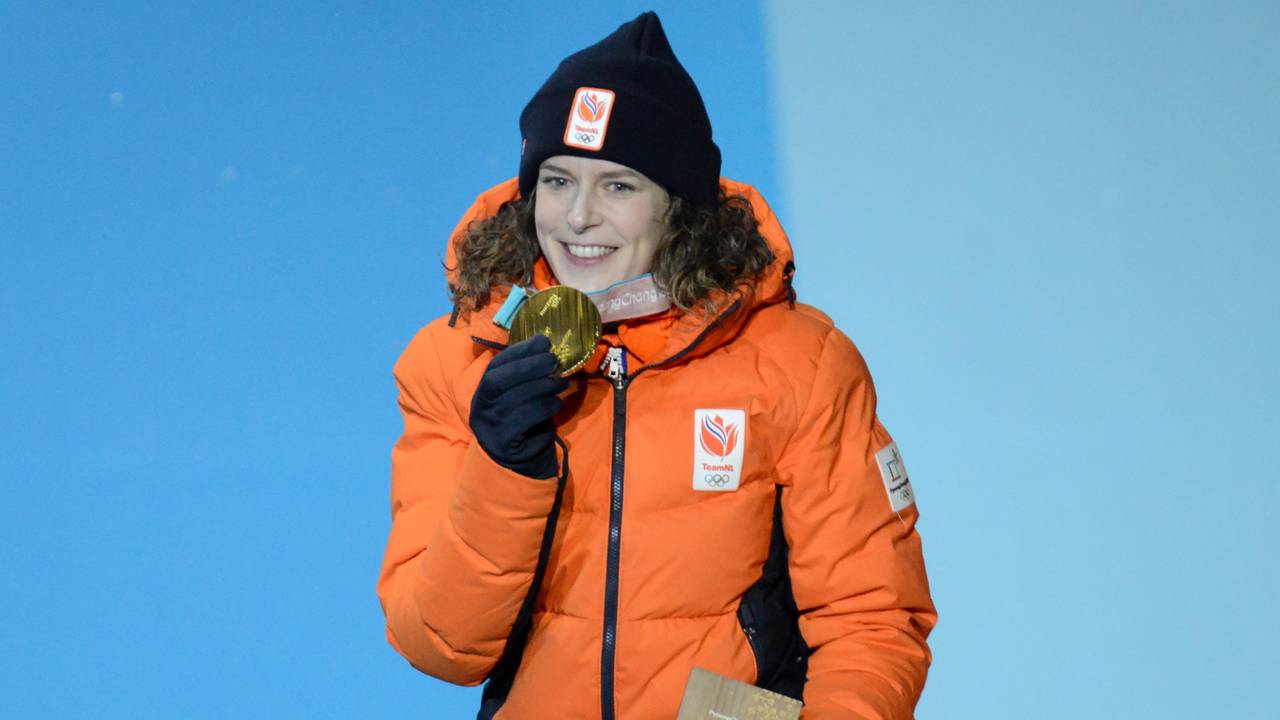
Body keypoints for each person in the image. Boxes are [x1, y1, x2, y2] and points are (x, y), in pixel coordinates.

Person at [376, 12, 936, 719]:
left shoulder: (799, 364)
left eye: (617, 186)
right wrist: (502, 471)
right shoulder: (456, 362)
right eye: (557, 180)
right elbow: (441, 647)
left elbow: (874, 620)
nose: (578, 217)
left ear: (677, 206)